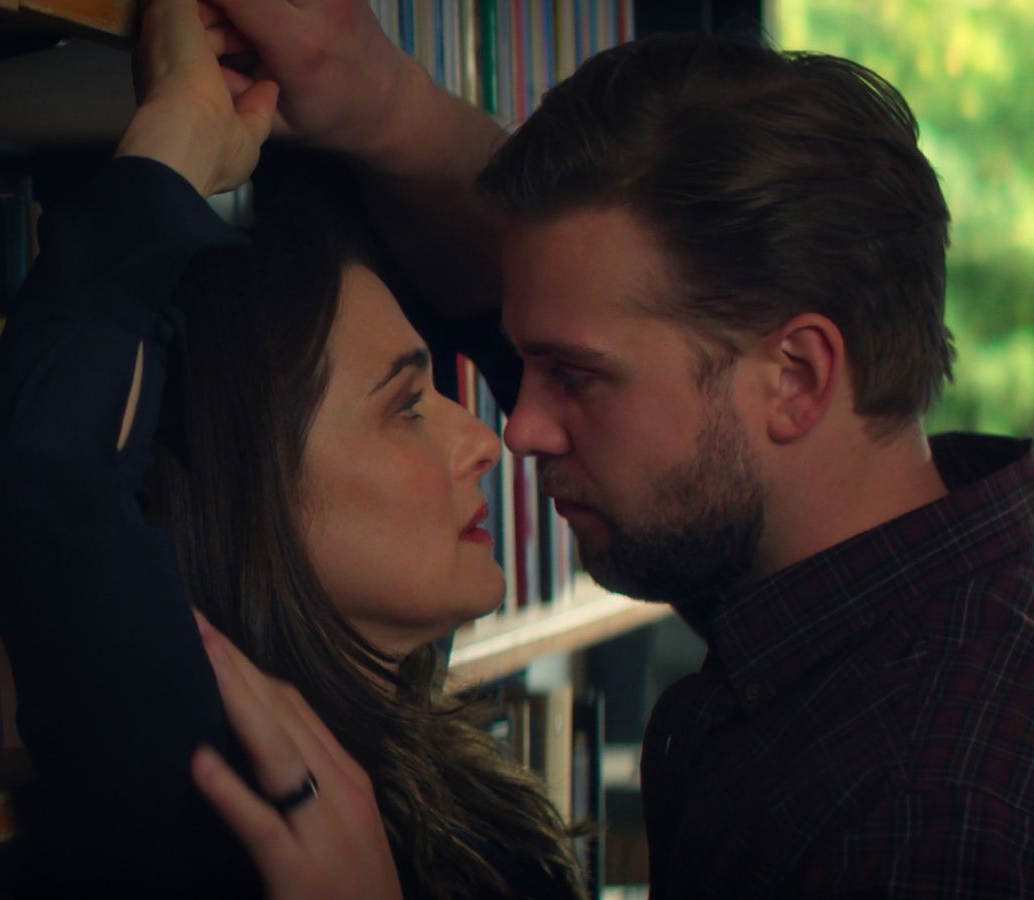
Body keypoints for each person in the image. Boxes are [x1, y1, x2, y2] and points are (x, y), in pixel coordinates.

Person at [190, 1, 1034, 896]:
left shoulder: (920, 815)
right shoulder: (884, 581)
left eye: (575, 376)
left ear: (795, 377)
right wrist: (383, 101)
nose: (518, 430)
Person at [0, 1, 584, 898]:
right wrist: (179, 132)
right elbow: (44, 480)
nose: (488, 439)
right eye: (407, 406)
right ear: (252, 487)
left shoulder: (457, 795)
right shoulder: (217, 793)